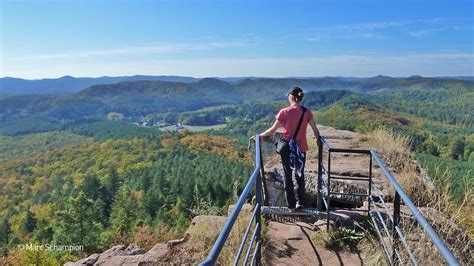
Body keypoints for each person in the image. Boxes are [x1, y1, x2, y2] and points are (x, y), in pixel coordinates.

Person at [257, 87, 320, 212]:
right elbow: (315, 130)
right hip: (301, 148)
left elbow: (272, 130)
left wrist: (261, 136)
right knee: (299, 174)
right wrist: (318, 140)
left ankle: (291, 206)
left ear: (291, 97)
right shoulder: (306, 112)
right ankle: (301, 203)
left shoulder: (284, 112)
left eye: (288, 96)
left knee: (287, 175)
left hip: (287, 148)